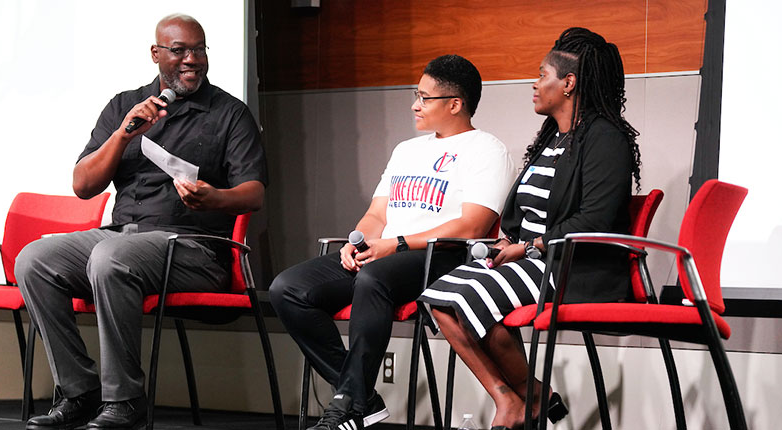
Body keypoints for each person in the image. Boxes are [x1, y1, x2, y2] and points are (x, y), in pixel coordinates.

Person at [17, 14, 267, 430]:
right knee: (35, 260)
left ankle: (125, 400)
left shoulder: (229, 113)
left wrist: (214, 197)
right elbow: (83, 185)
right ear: (156, 54)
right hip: (121, 236)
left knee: (111, 257)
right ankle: (80, 391)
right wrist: (123, 135)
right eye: (180, 50)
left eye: (200, 49)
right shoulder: (124, 106)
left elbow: (254, 193)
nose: (192, 59)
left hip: (195, 247)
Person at [269, 55, 513, 430]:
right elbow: (377, 215)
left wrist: (396, 244)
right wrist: (358, 241)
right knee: (288, 289)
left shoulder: (487, 149)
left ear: (454, 104)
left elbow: (471, 226)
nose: (415, 105)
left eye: (424, 97)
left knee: (375, 278)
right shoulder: (407, 150)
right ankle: (359, 397)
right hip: (386, 254)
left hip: (443, 258)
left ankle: (348, 404)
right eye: (415, 95)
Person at [418, 27, 643, 430]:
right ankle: (516, 397)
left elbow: (596, 219)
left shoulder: (605, 139)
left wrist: (530, 246)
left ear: (568, 83)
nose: (534, 84)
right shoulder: (552, 140)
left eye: (542, 75)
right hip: (531, 259)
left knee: (470, 300)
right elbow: (525, 211)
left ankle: (524, 402)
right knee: (439, 298)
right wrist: (510, 240)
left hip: (572, 266)